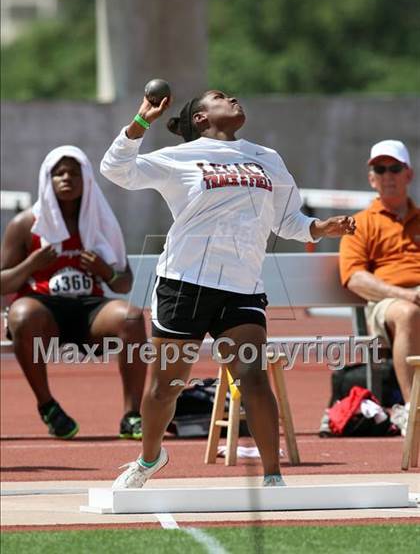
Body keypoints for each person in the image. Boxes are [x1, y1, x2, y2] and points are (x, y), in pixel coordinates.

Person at [101, 89, 356, 488]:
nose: (233, 98)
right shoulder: (178, 158)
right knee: (166, 387)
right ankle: (150, 458)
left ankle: (273, 478)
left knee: (253, 378)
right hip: (183, 284)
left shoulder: (267, 158)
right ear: (201, 119)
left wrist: (320, 228)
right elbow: (115, 169)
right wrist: (141, 121)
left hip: (241, 288)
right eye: (220, 97)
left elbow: (288, 221)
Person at [1, 146, 147, 439]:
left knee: (131, 317)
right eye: (59, 173)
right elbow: (3, 284)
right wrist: (32, 264)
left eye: (74, 172)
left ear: (87, 179)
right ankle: (48, 407)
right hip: (44, 312)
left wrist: (105, 271)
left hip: (89, 310)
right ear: (48, 179)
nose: (67, 178)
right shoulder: (26, 225)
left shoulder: (101, 220)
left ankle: (132, 415)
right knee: (21, 314)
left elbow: (124, 283)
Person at [339, 140, 420, 435]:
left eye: (394, 168)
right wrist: (408, 294)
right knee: (409, 313)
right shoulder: (359, 224)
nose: (388, 175)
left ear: (408, 174)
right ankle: (415, 413)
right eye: (380, 169)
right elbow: (355, 278)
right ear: (371, 178)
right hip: (387, 304)